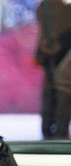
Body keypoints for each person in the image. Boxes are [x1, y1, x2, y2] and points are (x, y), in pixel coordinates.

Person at [35, 0, 71, 139]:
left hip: (56, 62)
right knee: (51, 109)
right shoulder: (45, 7)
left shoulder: (45, 7)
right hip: (52, 62)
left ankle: (56, 137)